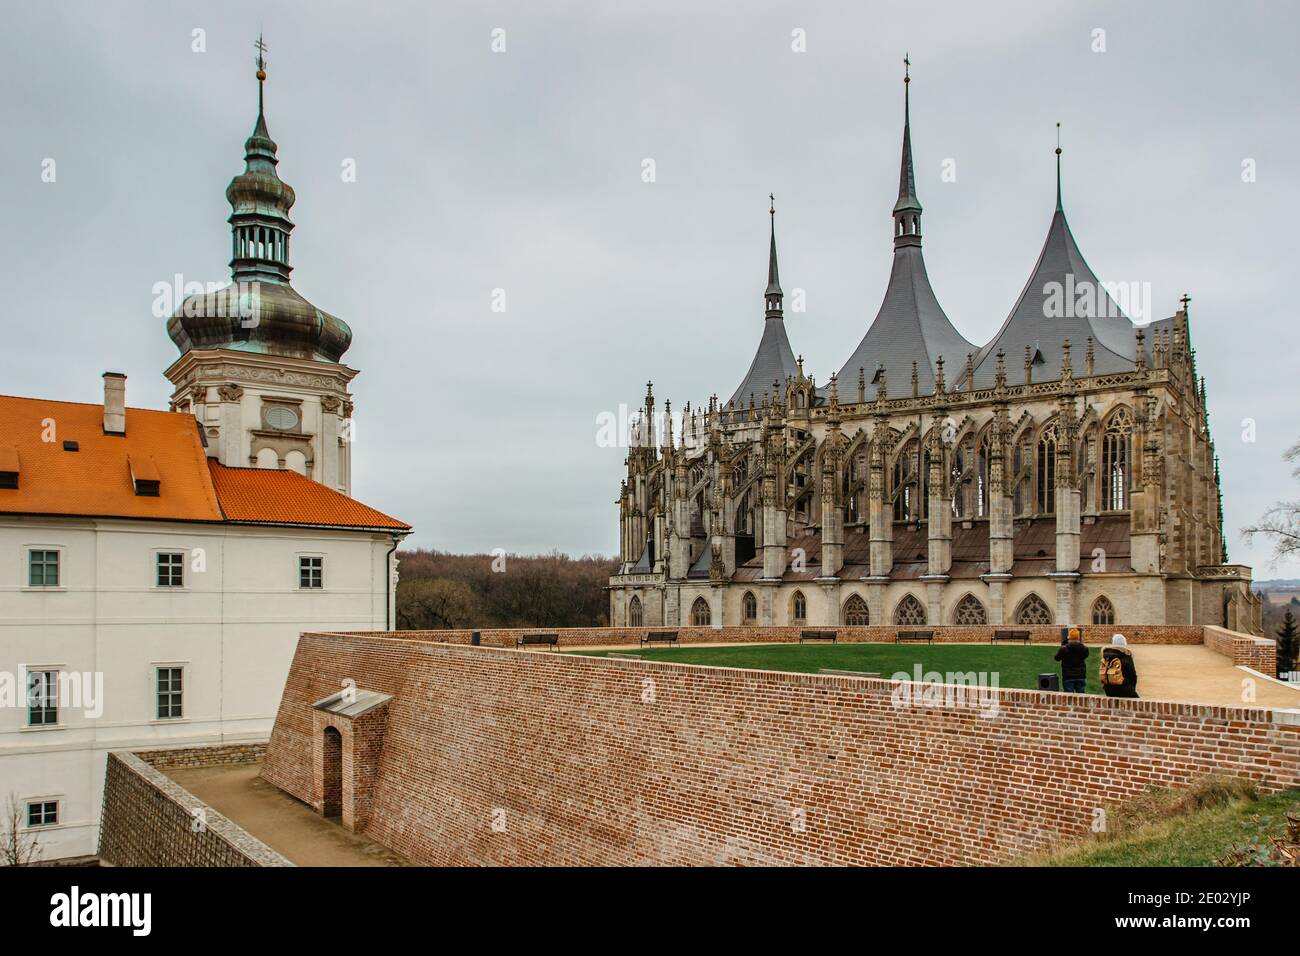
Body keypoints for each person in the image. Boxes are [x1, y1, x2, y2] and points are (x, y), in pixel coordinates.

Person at [1100, 633, 1139, 698]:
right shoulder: (1126, 657)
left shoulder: (1106, 656)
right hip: (1124, 689)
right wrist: (1132, 689)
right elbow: (1133, 677)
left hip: (1108, 689)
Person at [1054, 626, 1089, 693]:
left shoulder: (1064, 649)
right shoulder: (1084, 649)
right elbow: (1085, 655)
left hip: (1068, 676)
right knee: (1081, 697)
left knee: (1069, 698)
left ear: (1069, 638)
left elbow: (1057, 658)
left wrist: (1064, 643)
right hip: (1080, 675)